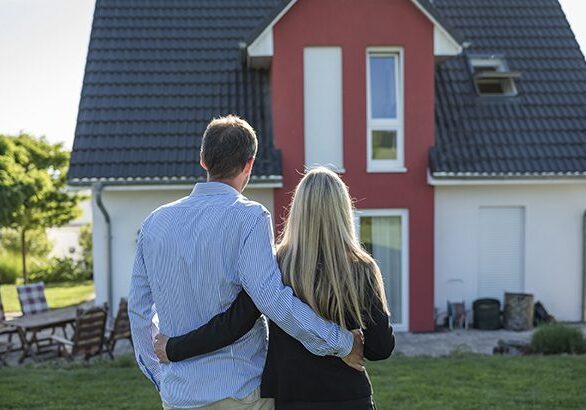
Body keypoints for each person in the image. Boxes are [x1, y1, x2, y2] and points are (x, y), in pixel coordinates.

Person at [127, 116, 364, 410]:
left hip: (179, 397)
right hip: (241, 395)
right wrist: (341, 342)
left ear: (203, 159)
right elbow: (271, 299)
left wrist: (161, 378)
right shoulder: (250, 217)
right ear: (249, 164)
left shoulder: (155, 222)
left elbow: (138, 310)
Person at [154, 167, 395, 409]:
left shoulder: (275, 264)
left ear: (298, 210)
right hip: (350, 397)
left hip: (292, 397)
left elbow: (233, 324)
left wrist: (174, 348)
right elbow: (380, 348)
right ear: (343, 211)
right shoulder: (362, 268)